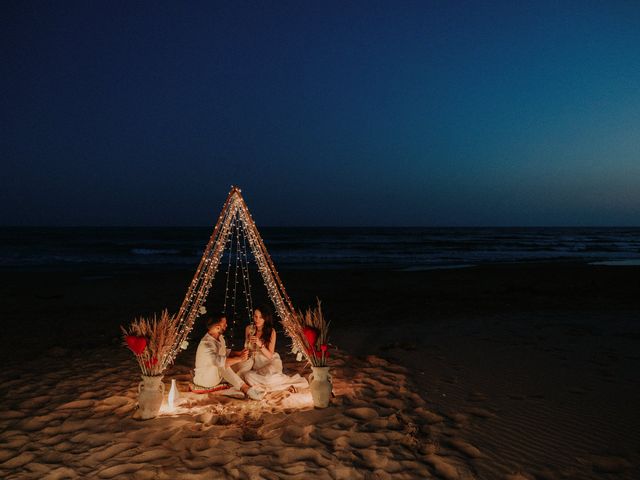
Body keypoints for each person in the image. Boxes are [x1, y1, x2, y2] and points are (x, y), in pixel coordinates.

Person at [193, 313, 264, 400]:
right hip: (206, 380)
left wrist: (239, 353)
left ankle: (234, 382)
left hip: (218, 373)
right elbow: (221, 362)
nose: (226, 325)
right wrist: (240, 358)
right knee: (223, 366)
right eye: (224, 324)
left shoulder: (219, 337)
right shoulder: (206, 345)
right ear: (217, 327)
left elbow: (224, 352)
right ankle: (245, 388)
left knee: (248, 362)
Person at [240, 304, 308, 391]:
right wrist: (247, 348)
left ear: (266, 318)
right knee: (247, 376)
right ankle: (274, 386)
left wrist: (259, 344)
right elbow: (246, 348)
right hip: (257, 365)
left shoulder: (271, 331)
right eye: (255, 316)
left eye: (260, 317)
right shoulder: (249, 329)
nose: (257, 320)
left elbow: (270, 356)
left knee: (269, 378)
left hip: (269, 362)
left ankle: (286, 385)